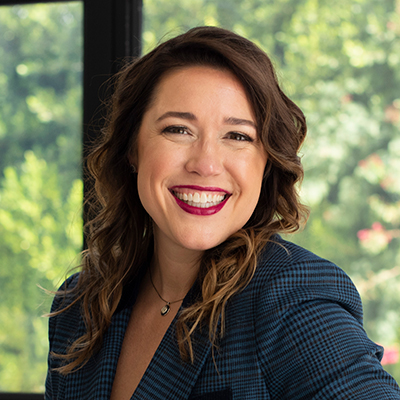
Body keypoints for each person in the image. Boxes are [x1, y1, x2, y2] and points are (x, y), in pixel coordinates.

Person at [45, 26, 400, 399]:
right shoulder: (80, 307)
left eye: (238, 136)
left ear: (266, 163)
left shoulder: (291, 296)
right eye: (179, 129)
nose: (206, 164)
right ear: (133, 149)